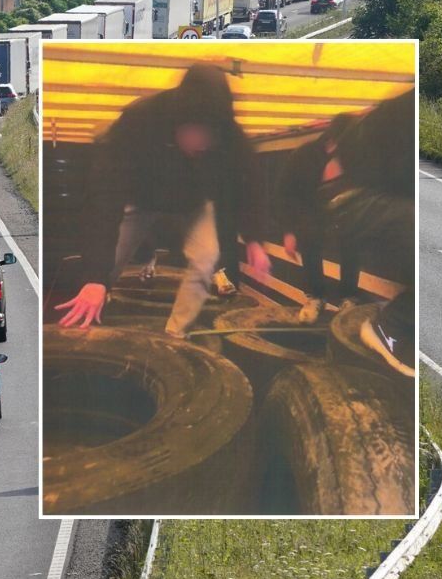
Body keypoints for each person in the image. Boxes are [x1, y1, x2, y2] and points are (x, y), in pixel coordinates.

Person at [52, 63, 271, 337]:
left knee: (207, 258)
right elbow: (104, 200)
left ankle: (175, 334)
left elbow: (249, 185)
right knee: (105, 265)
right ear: (176, 123)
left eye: (209, 136)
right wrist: (96, 277)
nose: (201, 144)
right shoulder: (139, 120)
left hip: (193, 203)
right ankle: (94, 305)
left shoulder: (229, 134)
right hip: (139, 199)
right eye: (194, 133)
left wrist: (254, 239)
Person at [317, 90, 415, 376]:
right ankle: (388, 326)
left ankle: (355, 301)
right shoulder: (322, 154)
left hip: (374, 194)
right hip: (350, 199)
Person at [277, 113, 363, 323]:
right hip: (308, 210)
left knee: (354, 238)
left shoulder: (354, 158)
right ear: (331, 140)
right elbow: (285, 194)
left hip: (341, 211)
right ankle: (316, 297)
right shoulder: (303, 156)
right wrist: (289, 231)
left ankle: (348, 298)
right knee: (308, 238)